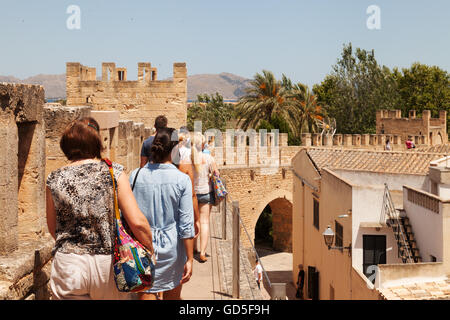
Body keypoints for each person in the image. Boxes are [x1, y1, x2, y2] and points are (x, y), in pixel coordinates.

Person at [46, 117, 154, 300]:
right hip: (106, 264)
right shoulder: (114, 173)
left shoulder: (54, 178)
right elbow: (137, 222)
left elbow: (52, 227)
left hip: (69, 262)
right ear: (96, 143)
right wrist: (150, 248)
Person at [130, 127, 195, 300]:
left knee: (146, 292)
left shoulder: (135, 176)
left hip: (142, 247)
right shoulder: (182, 180)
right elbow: (186, 224)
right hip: (171, 249)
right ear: (174, 151)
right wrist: (190, 258)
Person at [185, 132, 220, 263]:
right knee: (204, 222)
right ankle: (203, 252)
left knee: (194, 221)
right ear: (203, 144)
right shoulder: (209, 158)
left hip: (191, 194)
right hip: (206, 192)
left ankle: (193, 247)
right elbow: (216, 173)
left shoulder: (187, 158)